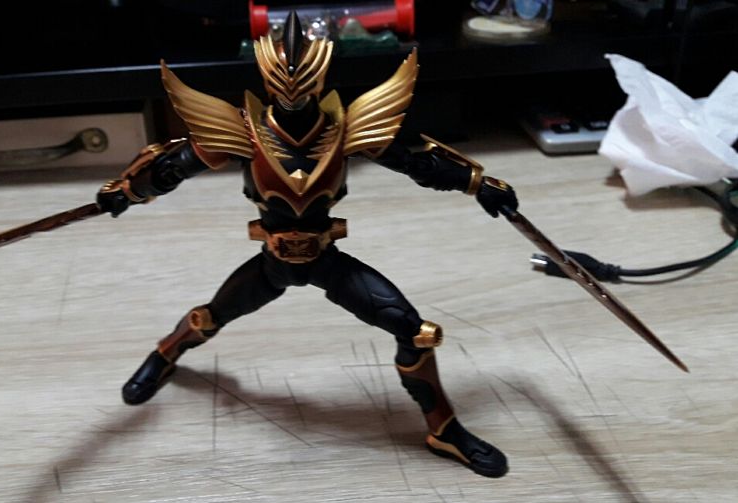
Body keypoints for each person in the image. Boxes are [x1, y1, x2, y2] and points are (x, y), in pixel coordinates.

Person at [96, 12, 518, 478]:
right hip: (273, 263)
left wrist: (478, 183)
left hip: (326, 260)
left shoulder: (348, 129)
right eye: (284, 87)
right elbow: (173, 167)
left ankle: (444, 429)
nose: (294, 97)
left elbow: (419, 165)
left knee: (414, 331)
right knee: (209, 318)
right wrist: (127, 190)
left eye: (303, 87)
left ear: (319, 82)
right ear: (268, 82)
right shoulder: (241, 132)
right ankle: (164, 353)